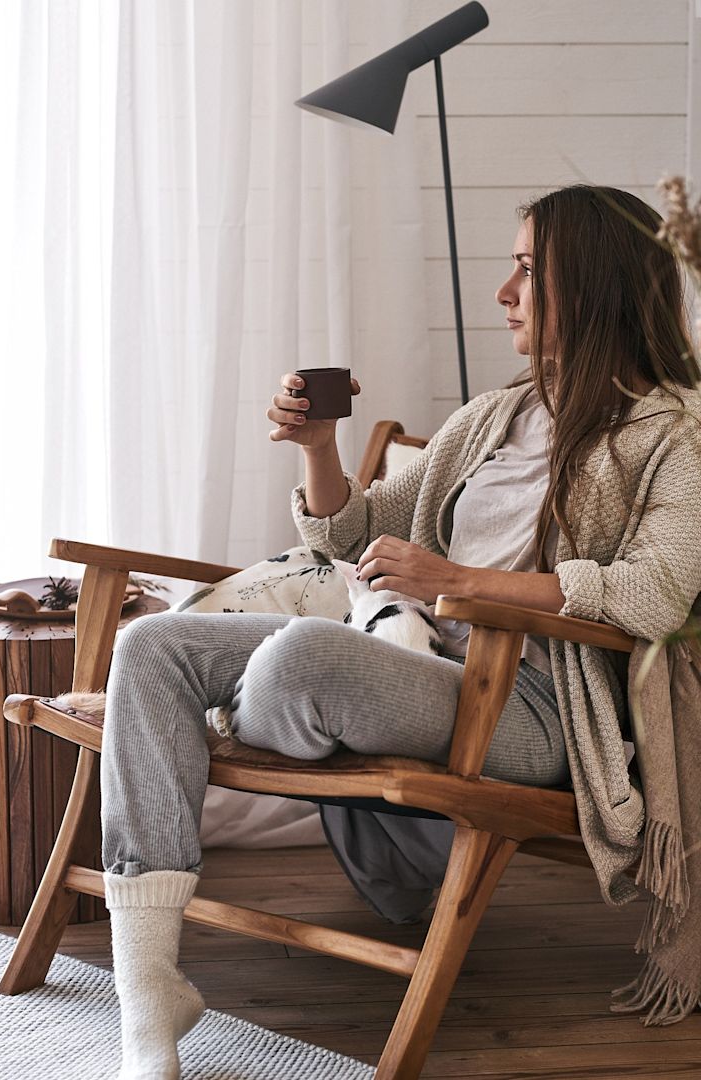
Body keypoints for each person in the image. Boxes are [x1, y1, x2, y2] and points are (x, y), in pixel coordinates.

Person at [100, 185, 701, 1079]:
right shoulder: (499, 416)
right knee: (146, 647)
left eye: (528, 269)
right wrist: (318, 447)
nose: (504, 291)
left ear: (592, 283)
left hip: (531, 706)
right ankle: (151, 997)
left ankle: (243, 713)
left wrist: (455, 581)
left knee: (296, 660)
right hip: (413, 660)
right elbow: (350, 533)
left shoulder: (674, 437)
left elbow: (654, 595)